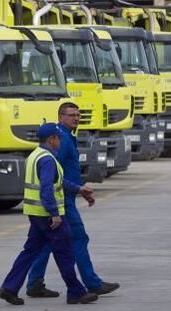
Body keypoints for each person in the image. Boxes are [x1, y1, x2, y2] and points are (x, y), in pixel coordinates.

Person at [0, 123, 98, 305]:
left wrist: (79, 189)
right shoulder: (48, 160)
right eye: (59, 138)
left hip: (36, 215)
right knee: (65, 252)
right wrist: (55, 214)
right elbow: (46, 189)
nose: (60, 141)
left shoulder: (36, 155)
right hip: (48, 216)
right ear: (52, 139)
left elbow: (58, 182)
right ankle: (76, 292)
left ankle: (9, 288)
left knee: (30, 252)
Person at [26, 103, 120, 298]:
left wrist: (81, 188)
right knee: (78, 238)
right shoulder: (62, 140)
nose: (76, 119)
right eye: (71, 115)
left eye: (78, 115)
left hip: (63, 196)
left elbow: (65, 170)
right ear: (60, 117)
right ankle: (91, 283)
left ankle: (34, 282)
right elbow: (54, 173)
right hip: (62, 199)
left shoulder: (66, 136)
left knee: (45, 241)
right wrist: (76, 190)